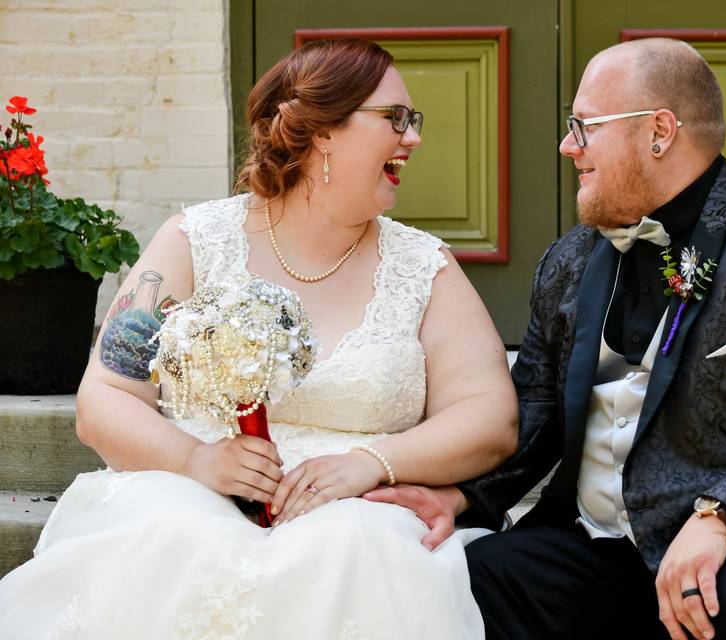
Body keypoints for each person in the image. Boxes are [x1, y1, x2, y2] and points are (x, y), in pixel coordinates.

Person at [365, 38, 726, 639]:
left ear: (660, 131)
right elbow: (533, 408)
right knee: (470, 579)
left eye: (583, 127)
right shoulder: (569, 259)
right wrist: (462, 496)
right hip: (601, 543)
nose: (566, 146)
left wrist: (722, 517)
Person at [0, 38, 517, 639]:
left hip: (356, 527)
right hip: (189, 502)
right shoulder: (195, 242)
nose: (413, 137)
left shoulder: (422, 267)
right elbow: (105, 399)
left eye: (413, 120)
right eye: (395, 118)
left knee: (349, 551)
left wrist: (372, 463)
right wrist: (196, 461)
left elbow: (490, 417)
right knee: (173, 542)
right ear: (323, 131)